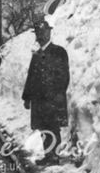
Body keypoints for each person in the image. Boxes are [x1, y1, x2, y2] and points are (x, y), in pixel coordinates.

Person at [22, 19, 69, 165]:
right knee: (42, 128)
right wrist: (27, 98)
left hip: (53, 99)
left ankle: (54, 157)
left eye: (43, 32)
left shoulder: (59, 52)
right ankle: (48, 156)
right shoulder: (36, 55)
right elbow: (31, 77)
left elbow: (64, 76)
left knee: (53, 127)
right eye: (38, 33)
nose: (41, 36)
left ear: (49, 32)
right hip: (38, 100)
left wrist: (56, 94)